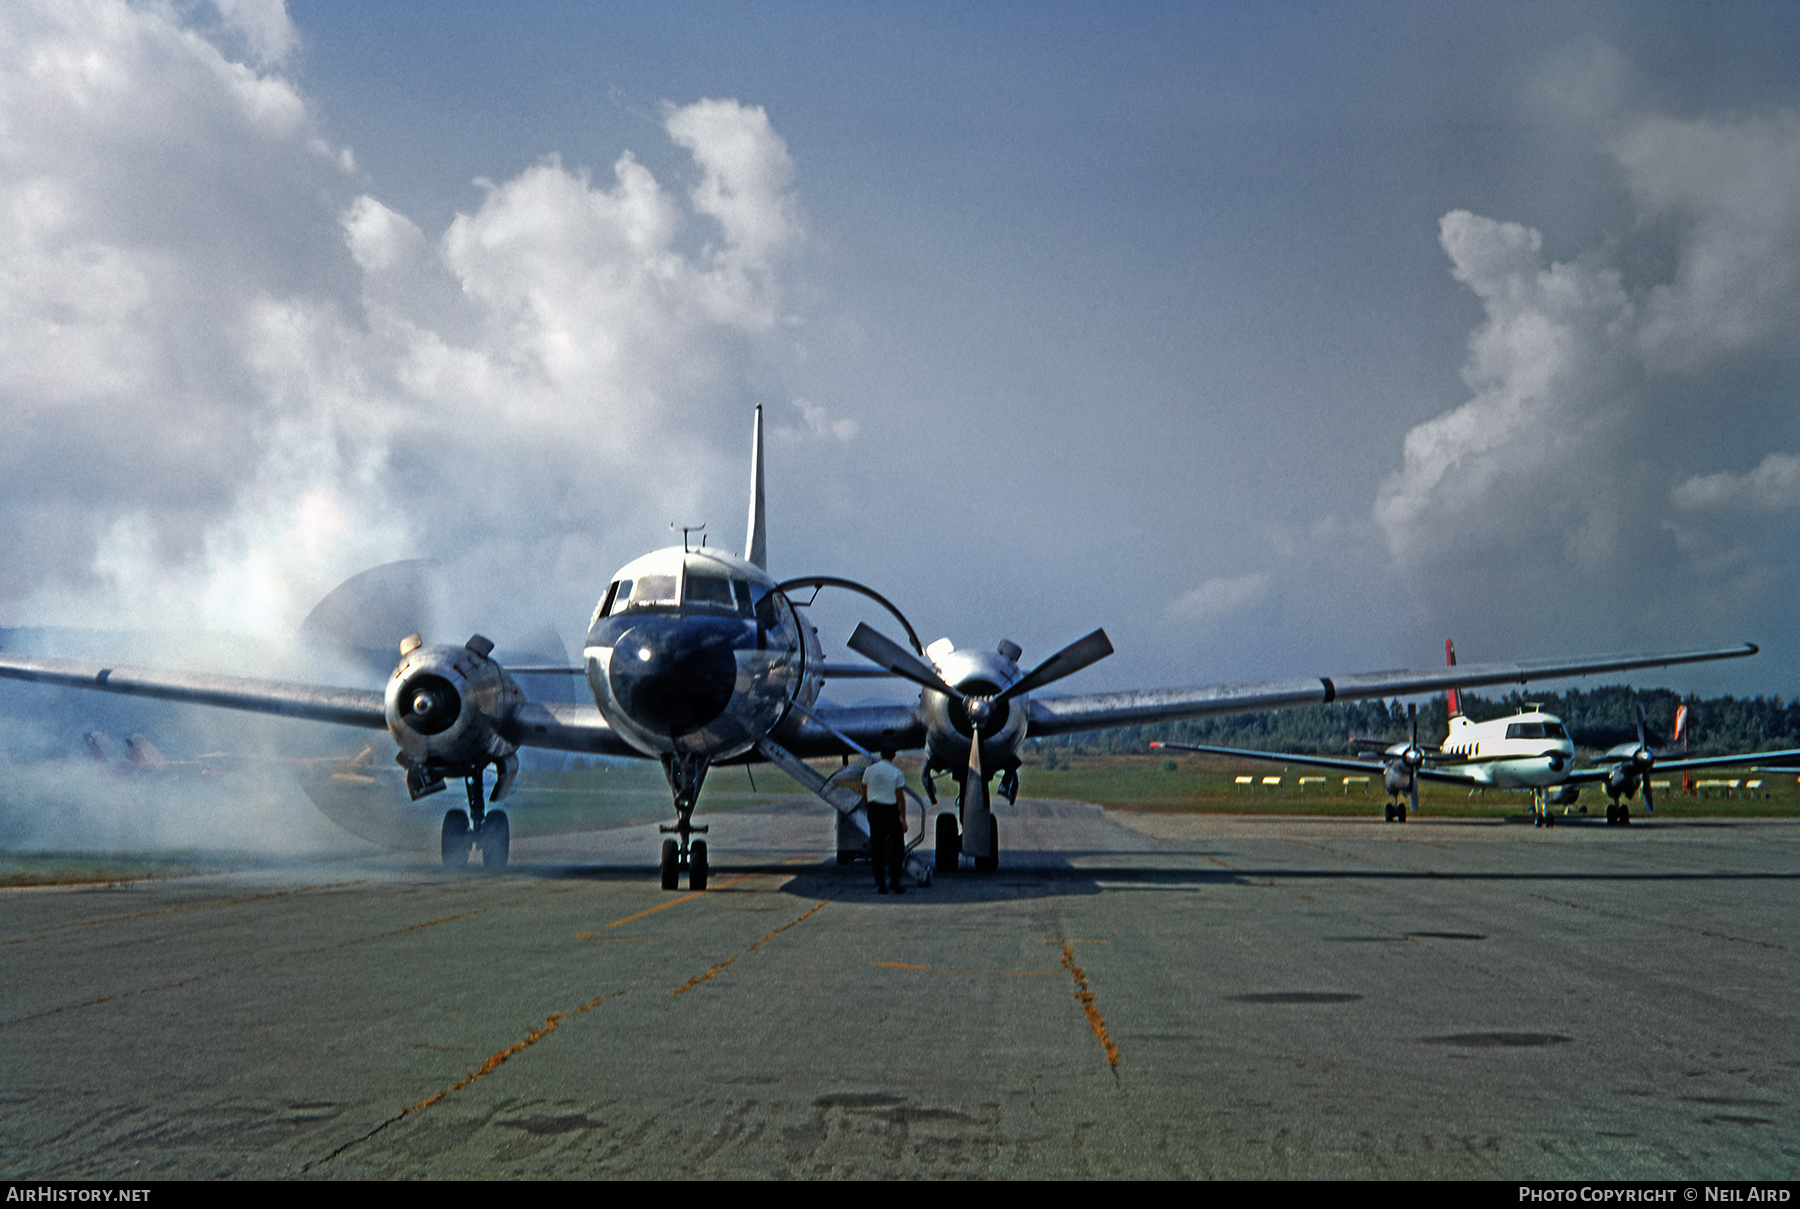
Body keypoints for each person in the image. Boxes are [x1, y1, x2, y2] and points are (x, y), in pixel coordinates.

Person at [862, 748, 907, 894]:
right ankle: (895, 882)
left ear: (881, 755)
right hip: (890, 811)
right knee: (898, 848)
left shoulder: (869, 770)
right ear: (893, 756)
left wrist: (870, 807)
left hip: (875, 810)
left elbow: (864, 792)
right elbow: (900, 797)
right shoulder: (896, 772)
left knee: (877, 849)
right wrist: (903, 819)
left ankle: (881, 885)